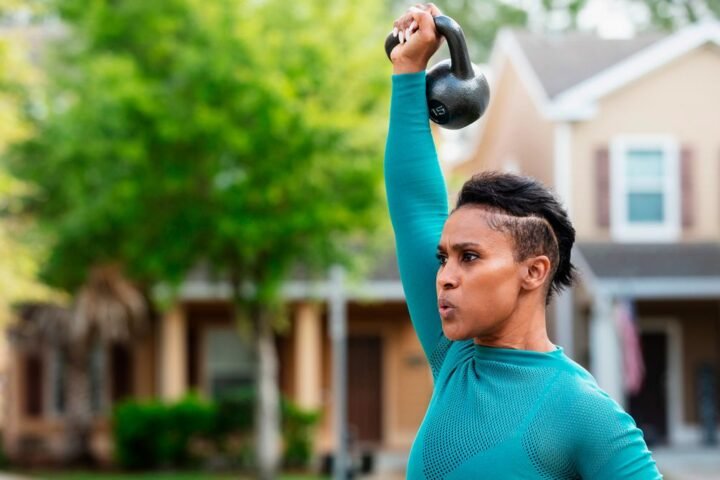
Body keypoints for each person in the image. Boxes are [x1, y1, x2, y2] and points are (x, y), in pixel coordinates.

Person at [385, 4, 663, 479]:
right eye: (444, 257)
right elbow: (414, 206)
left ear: (533, 271)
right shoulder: (456, 360)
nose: (446, 277)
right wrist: (409, 72)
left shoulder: (583, 412)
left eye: (469, 257)